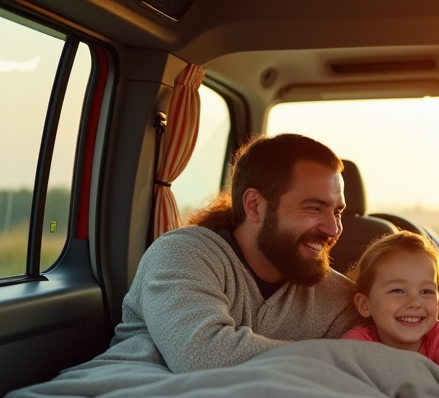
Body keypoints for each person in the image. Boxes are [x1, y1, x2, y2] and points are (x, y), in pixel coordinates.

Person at [103, 133, 362, 373]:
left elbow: (368, 365)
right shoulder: (181, 253)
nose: (333, 229)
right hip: (123, 397)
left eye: (337, 212)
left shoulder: (340, 299)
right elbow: (201, 356)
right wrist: (331, 359)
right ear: (254, 206)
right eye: (314, 208)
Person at [341, 232, 439, 398]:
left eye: (426, 291)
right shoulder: (357, 344)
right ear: (365, 304)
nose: (414, 303)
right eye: (397, 290)